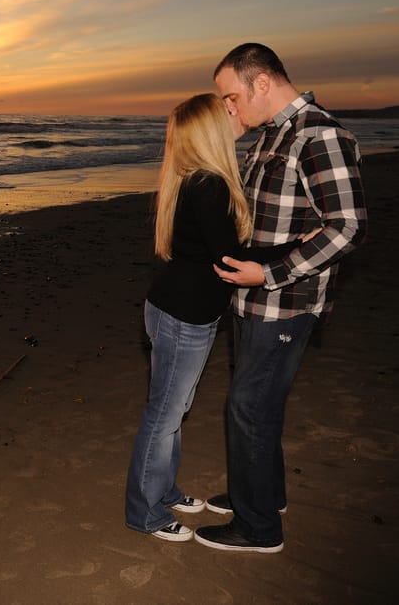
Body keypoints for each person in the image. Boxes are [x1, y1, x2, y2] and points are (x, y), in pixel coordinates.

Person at [194, 43, 367, 553]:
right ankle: (262, 495)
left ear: (261, 82)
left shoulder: (318, 135)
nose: (228, 107)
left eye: (231, 97)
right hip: (253, 301)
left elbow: (348, 226)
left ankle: (257, 528)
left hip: (285, 303)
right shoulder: (271, 135)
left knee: (248, 407)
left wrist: (270, 274)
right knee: (259, 408)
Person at [125, 93, 302, 542]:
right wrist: (299, 247)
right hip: (181, 315)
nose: (234, 115)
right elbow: (232, 259)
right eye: (224, 114)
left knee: (174, 408)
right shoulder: (209, 184)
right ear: (208, 130)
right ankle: (144, 512)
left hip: (182, 310)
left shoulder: (199, 178)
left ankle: (164, 489)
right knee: (164, 414)